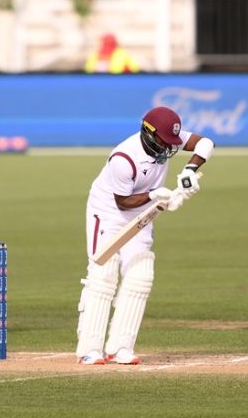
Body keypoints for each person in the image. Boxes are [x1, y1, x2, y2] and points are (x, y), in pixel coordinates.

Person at [76, 105, 214, 365]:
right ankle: (89, 349)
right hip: (108, 213)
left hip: (142, 212)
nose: (170, 148)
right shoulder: (124, 159)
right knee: (103, 274)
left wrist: (189, 171)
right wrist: (154, 195)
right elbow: (122, 203)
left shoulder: (166, 138)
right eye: (165, 141)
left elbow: (206, 142)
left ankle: (120, 348)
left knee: (141, 275)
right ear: (149, 134)